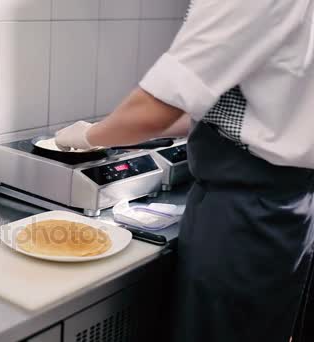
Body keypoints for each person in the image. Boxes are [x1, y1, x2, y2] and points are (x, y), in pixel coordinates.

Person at [55, 1, 314, 341]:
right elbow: (254, 104)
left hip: (244, 217)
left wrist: (87, 136)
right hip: (287, 207)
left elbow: (152, 109)